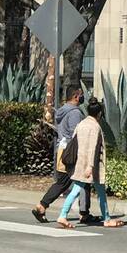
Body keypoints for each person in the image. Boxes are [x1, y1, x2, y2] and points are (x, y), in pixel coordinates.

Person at [56, 100, 122, 229]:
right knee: (99, 192)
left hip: (80, 163)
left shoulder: (81, 124)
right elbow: (92, 148)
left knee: (77, 190)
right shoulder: (95, 127)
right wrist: (90, 167)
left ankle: (63, 215)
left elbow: (75, 142)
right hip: (92, 166)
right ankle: (106, 219)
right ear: (99, 114)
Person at [31, 87, 92, 224]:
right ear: (76, 96)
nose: (82, 97)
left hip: (61, 150)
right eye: (81, 95)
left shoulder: (62, 111)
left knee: (62, 182)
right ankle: (84, 213)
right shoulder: (75, 113)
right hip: (71, 152)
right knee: (83, 180)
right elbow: (76, 134)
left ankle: (42, 206)